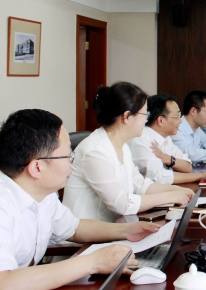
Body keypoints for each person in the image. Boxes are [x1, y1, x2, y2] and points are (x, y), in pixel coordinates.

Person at [0, 109, 161, 290]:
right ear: (37, 167)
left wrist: (126, 231)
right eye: (68, 156)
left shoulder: (43, 194)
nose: (72, 163)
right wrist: (94, 262)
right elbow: (4, 285)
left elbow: (74, 228)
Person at [63, 82, 194, 222]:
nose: (147, 119)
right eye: (145, 114)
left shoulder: (122, 146)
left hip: (114, 226)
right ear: (127, 117)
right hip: (85, 233)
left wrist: (178, 191)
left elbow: (141, 185)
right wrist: (171, 196)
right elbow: (122, 204)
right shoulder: (95, 151)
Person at [128, 94, 206, 184]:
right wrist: (202, 176)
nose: (180, 120)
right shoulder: (142, 139)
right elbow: (160, 178)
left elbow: (188, 166)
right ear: (161, 121)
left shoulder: (166, 138)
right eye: (177, 116)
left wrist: (168, 159)